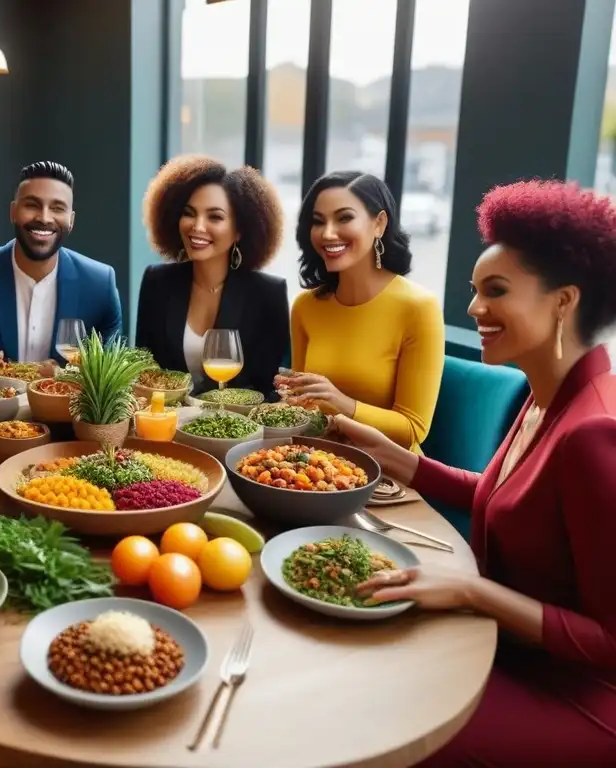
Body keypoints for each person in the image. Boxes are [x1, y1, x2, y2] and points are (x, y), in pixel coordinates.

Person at [334, 180, 616, 765]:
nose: (473, 309)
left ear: (564, 301)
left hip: (578, 698)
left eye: (496, 291)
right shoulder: (545, 397)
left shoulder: (594, 431)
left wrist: (471, 590)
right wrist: (397, 459)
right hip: (503, 647)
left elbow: (611, 640)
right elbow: (503, 495)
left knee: (371, 718)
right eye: (474, 290)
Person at [283, 171, 444, 451]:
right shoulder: (306, 306)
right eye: (318, 221)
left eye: (344, 218)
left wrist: (340, 402)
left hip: (388, 475)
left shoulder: (418, 308)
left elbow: (413, 430)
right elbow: (302, 405)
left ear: (379, 223)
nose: (328, 233)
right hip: (313, 461)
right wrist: (290, 397)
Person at [0, 161, 123, 374]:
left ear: (71, 220)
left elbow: (111, 372)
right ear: (13, 211)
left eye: (57, 208)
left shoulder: (100, 285)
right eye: (32, 205)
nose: (44, 217)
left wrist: (63, 374)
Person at [135, 155, 288, 397]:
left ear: (239, 230)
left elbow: (270, 388)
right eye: (189, 213)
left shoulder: (268, 294)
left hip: (238, 429)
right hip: (166, 426)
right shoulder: (157, 282)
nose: (197, 226)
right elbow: (143, 368)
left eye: (214, 217)